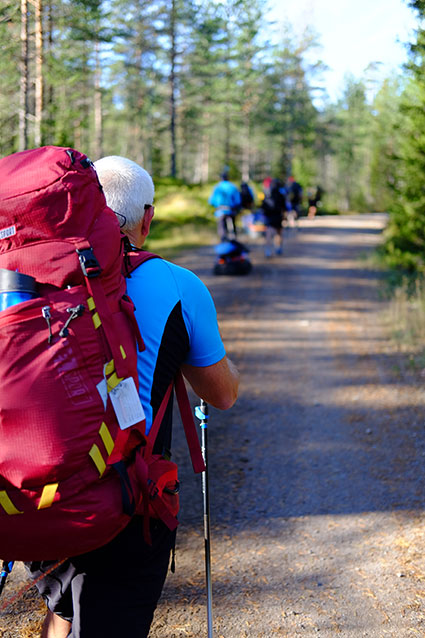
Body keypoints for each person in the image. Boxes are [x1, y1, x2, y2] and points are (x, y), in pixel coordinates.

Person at [26, 156, 240, 638]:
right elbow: (221, 394)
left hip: (40, 485)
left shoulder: (32, 277)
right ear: (147, 218)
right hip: (127, 497)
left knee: (64, 608)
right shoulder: (177, 284)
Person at [208, 170, 241, 240]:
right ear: (228, 178)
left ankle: (223, 241)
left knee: (221, 227)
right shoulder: (233, 187)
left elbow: (211, 201)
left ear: (221, 178)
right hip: (231, 210)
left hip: (220, 211)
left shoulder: (217, 187)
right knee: (233, 225)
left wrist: (216, 205)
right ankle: (234, 240)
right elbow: (238, 200)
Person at [261, 177, 287, 257]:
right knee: (278, 233)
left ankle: (268, 250)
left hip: (269, 218)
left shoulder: (267, 195)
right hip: (278, 217)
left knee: (269, 234)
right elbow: (284, 208)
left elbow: (263, 207)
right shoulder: (281, 195)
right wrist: (284, 217)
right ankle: (278, 248)